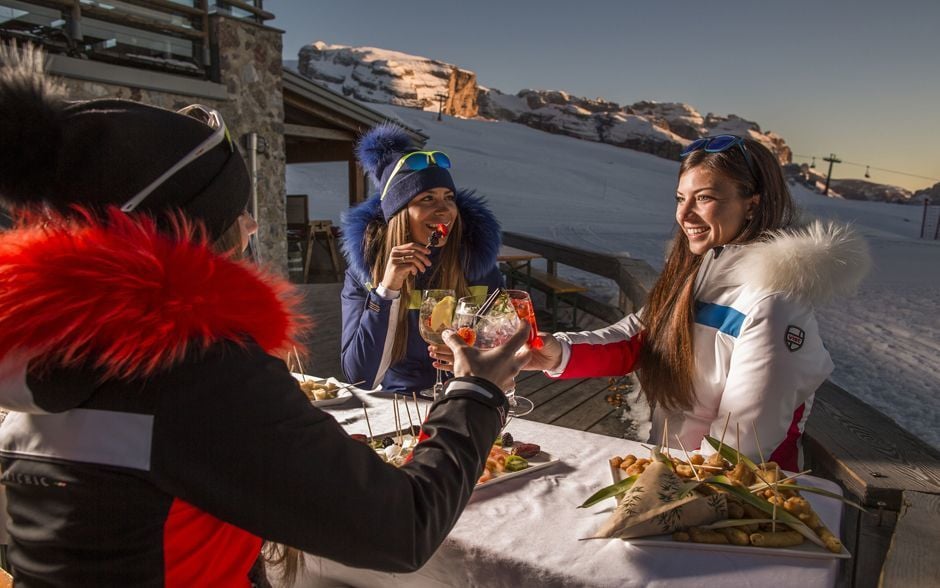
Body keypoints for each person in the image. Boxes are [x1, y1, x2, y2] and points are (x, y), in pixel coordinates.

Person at [0, 45, 528, 586]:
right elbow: (403, 527)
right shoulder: (194, 374)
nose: (252, 226)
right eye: (236, 209)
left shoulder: (47, 355)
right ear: (188, 231)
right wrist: (478, 393)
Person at [527, 135, 870, 471]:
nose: (685, 215)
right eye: (680, 198)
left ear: (752, 204)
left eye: (704, 198)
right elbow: (640, 338)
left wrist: (666, 484)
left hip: (737, 501)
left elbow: (739, 444)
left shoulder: (773, 302)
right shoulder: (698, 271)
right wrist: (559, 351)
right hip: (678, 474)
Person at [340, 123, 504, 395]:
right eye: (427, 199)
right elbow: (360, 378)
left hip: (467, 398)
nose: (444, 210)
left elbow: (509, 349)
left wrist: (476, 360)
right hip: (400, 405)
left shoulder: (478, 266)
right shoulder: (363, 276)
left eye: (448, 198)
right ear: (399, 214)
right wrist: (387, 289)